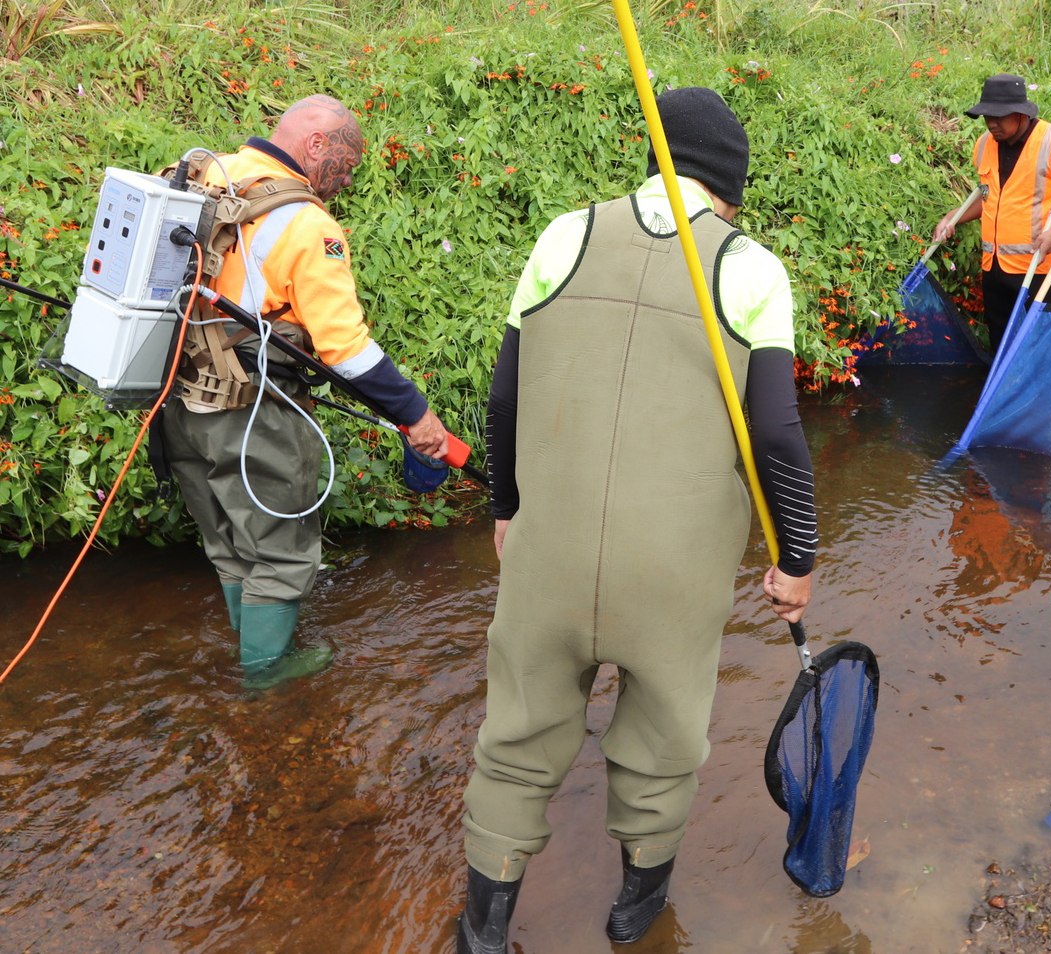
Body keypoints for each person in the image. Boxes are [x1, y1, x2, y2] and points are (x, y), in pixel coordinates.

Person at [455, 87, 819, 950]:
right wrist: (797, 556)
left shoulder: (564, 234)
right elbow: (774, 433)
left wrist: (506, 509)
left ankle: (483, 927)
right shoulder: (753, 268)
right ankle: (635, 913)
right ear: (728, 188)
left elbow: (503, 394)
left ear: (656, 161)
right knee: (663, 735)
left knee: (515, 735)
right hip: (674, 568)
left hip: (549, 549)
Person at [160, 94, 450, 690]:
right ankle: (268, 676)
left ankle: (248, 656)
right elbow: (347, 350)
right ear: (316, 144)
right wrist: (417, 417)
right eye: (344, 165)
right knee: (283, 553)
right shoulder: (309, 223)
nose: (344, 180)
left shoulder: (209, 170)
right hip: (250, 409)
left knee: (230, 542)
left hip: (177, 400)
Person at [931, 73, 1051, 351]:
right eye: (986, 117)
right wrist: (952, 217)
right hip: (994, 269)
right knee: (1000, 350)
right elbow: (987, 197)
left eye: (999, 117)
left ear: (1021, 114)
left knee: (1042, 352)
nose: (992, 123)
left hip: (1040, 270)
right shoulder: (984, 144)